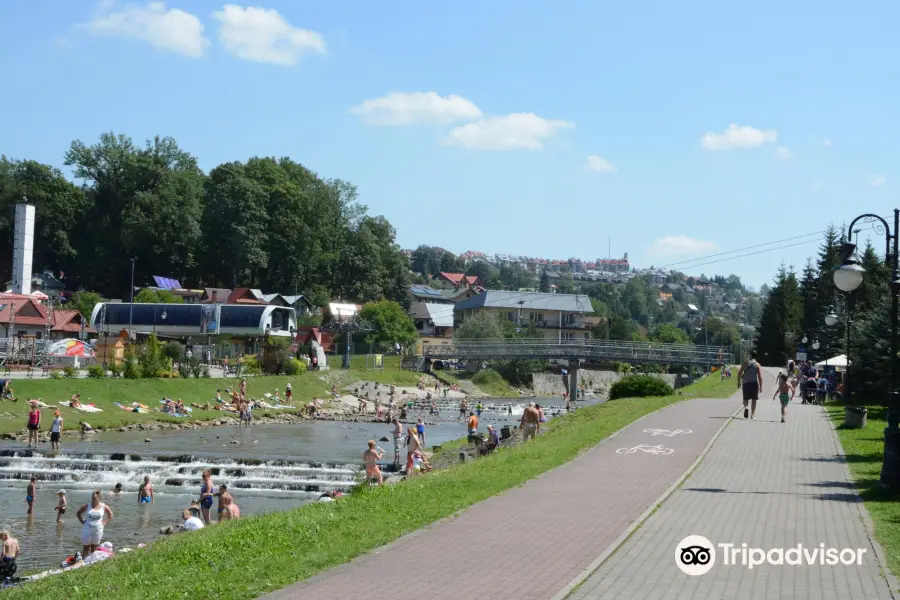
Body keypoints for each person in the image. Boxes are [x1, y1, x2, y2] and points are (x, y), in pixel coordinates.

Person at [77, 490, 113, 557]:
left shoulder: (103, 506)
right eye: (92, 498)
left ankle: (92, 562)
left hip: (98, 529)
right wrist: (81, 521)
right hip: (87, 528)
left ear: (99, 498)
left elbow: (110, 514)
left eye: (95, 498)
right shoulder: (87, 505)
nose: (93, 499)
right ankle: (83, 561)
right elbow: (78, 513)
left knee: (94, 547)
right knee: (86, 547)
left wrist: (105, 522)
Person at [737, 352, 764, 419]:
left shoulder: (745, 363)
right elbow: (760, 377)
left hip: (746, 384)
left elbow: (739, 373)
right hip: (754, 384)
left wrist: (738, 382)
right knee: (754, 400)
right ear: (756, 357)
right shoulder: (757, 365)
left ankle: (746, 407)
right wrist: (761, 387)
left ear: (750, 356)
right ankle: (752, 415)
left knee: (745, 398)